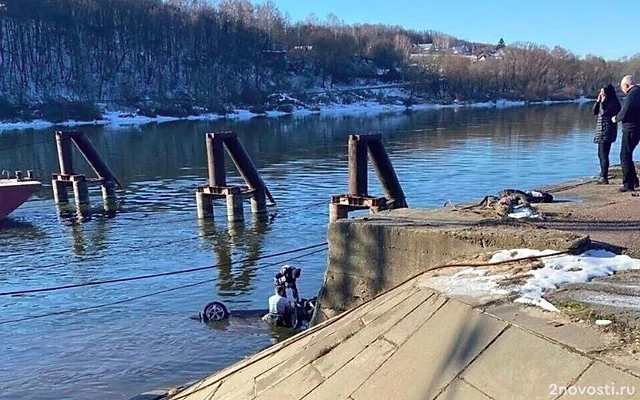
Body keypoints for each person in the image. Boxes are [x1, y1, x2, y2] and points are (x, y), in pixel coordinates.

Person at [612, 75, 640, 192]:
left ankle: (628, 184)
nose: (622, 90)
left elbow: (625, 112)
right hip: (637, 127)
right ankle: (634, 181)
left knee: (624, 155)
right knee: (628, 155)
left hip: (631, 128)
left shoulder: (632, 94)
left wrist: (615, 118)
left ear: (626, 85)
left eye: (622, 87)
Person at [592, 84, 621, 184]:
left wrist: (603, 103)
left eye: (603, 92)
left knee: (603, 154)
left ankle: (604, 177)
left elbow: (604, 113)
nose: (601, 94)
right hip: (601, 130)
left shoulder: (613, 103)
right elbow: (594, 112)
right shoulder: (602, 102)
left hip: (607, 131)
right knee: (601, 154)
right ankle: (602, 174)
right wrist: (598, 101)